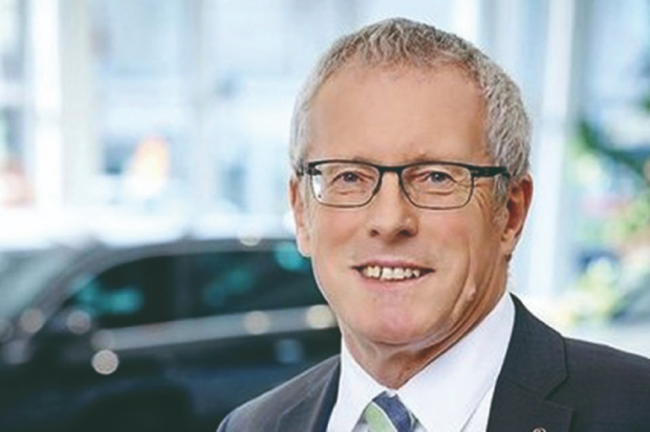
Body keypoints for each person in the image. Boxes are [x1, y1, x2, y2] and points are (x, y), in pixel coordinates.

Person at [217, 18, 650, 432]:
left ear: (510, 213)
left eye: (436, 177)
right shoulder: (252, 427)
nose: (390, 221)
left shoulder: (637, 410)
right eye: (349, 176)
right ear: (301, 212)